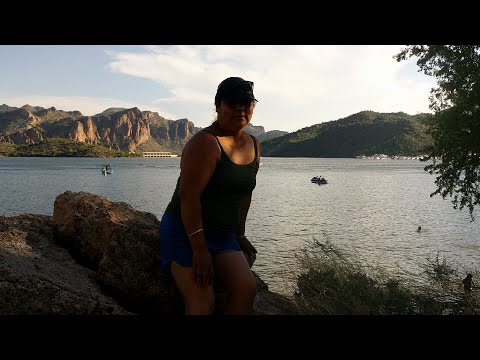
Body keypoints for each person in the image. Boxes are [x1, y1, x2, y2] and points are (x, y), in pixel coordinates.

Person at [159, 76, 261, 315]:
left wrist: (239, 233)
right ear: (218, 106)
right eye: (232, 102)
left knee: (246, 289)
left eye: (246, 102)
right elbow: (189, 197)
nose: (240, 108)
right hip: (185, 231)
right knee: (203, 300)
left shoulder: (254, 144)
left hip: (222, 234)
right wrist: (199, 249)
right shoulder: (204, 143)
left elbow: (245, 193)